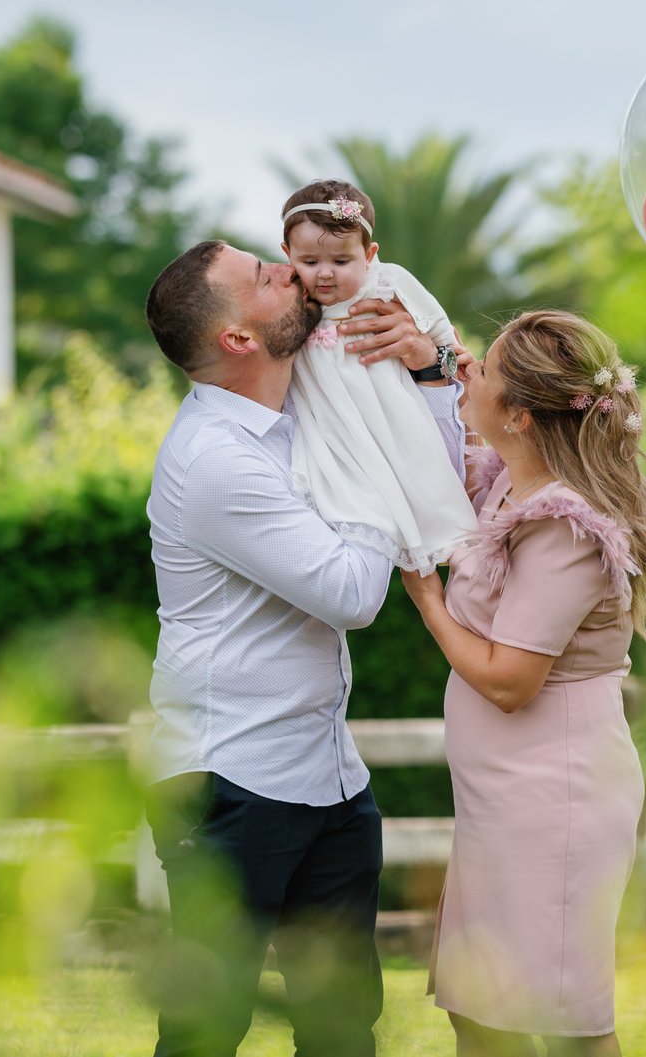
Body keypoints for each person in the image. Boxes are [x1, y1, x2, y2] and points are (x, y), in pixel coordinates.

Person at [141, 239, 467, 1057]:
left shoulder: (308, 412)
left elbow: (435, 473)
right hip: (229, 778)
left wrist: (428, 370)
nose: (291, 270)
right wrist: (375, 468)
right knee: (206, 1031)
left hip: (328, 772)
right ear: (238, 338)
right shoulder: (215, 459)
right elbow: (354, 592)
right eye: (265, 275)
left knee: (342, 1028)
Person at [398, 311, 646, 1057]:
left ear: (519, 414)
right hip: (500, 796)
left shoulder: (566, 525)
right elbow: (435, 451)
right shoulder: (508, 486)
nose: (469, 371)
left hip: (555, 798)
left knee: (563, 1021)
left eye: (483, 369)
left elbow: (510, 681)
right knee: (479, 1011)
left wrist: (427, 599)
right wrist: (429, 362)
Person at [280, 180, 477, 575]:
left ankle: (461, 566)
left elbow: (436, 324)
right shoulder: (289, 300)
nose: (324, 274)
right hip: (331, 416)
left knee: (419, 475)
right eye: (309, 261)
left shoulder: (387, 283)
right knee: (341, 487)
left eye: (341, 261)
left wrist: (449, 355)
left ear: (369, 255)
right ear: (287, 254)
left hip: (390, 407)